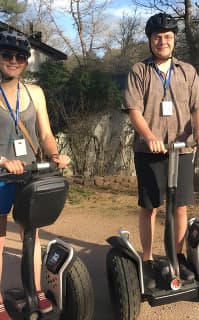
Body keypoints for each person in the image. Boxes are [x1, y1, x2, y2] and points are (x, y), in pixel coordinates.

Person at [123, 12, 199, 289]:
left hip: (182, 151)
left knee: (180, 207)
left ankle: (178, 256)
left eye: (168, 37)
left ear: (175, 40)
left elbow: (198, 107)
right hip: (149, 152)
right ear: (150, 40)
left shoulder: (188, 71)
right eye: (158, 37)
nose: (163, 42)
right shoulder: (139, 70)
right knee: (149, 207)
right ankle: (147, 260)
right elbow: (134, 110)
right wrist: (148, 136)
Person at [0, 29, 70, 319]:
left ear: (26, 62)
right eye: (7, 55)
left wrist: (54, 155)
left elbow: (45, 133)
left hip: (31, 173)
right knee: (0, 236)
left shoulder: (35, 93)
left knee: (33, 232)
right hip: (2, 175)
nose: (13, 60)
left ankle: (38, 290)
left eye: (20, 57)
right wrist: (3, 161)